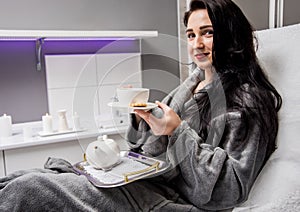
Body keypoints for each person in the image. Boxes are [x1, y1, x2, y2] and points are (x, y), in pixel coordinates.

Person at [0, 0, 281, 211]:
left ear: (230, 36)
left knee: (28, 190)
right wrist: (143, 119)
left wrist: (177, 131)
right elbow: (148, 148)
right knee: (18, 179)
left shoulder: (248, 101)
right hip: (149, 181)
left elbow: (229, 190)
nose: (197, 44)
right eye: (191, 34)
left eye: (207, 33)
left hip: (174, 200)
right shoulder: (189, 87)